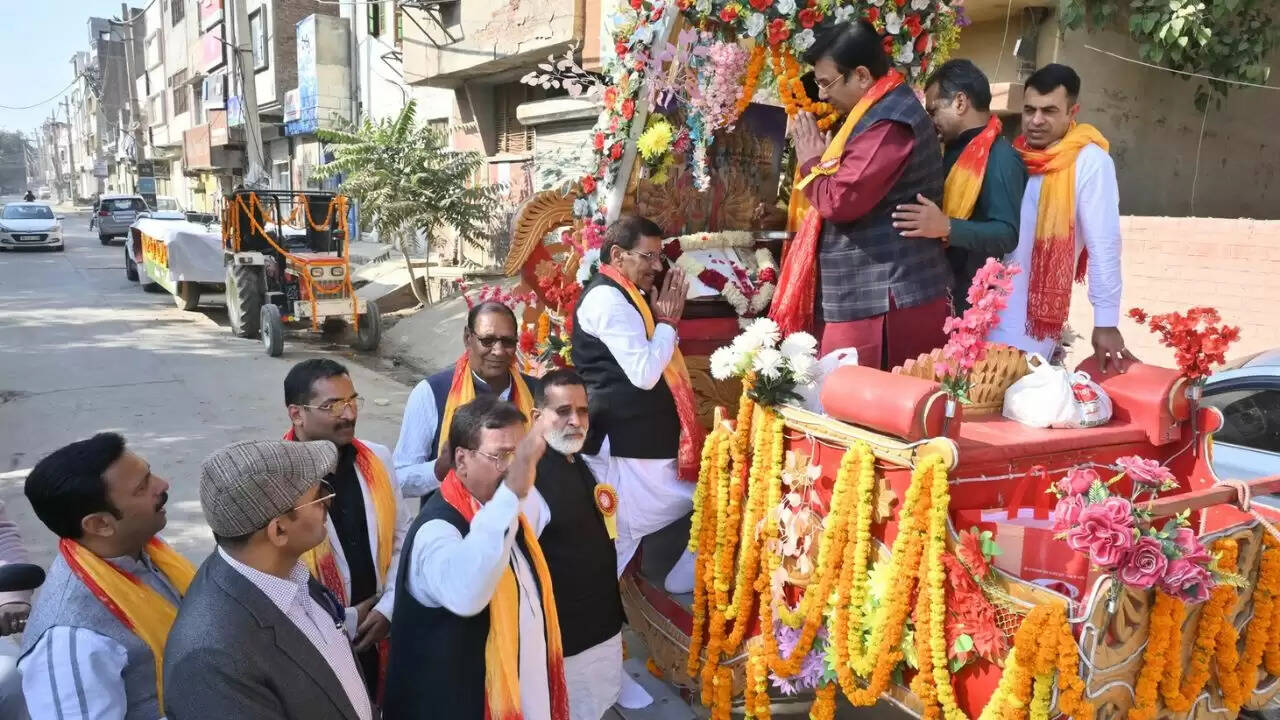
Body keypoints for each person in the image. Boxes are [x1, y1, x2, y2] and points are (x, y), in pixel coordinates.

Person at [780, 20, 951, 368]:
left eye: (827, 83)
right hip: (870, 294)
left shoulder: (890, 122)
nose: (823, 94)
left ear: (861, 75)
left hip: (886, 297)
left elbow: (839, 200)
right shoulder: (874, 112)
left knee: (863, 409)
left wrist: (812, 160)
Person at [383, 397, 565, 720]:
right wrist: (511, 494)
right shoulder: (436, 530)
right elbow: (467, 591)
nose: (513, 468)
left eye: (519, 455)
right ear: (462, 460)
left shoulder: (505, 512)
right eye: (500, 456)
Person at [163, 439, 374, 720]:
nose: (330, 499)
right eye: (318, 495)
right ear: (279, 531)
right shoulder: (212, 660)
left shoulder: (282, 570)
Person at [19, 433, 193, 720]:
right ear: (100, 524)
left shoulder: (144, 552)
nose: (163, 485)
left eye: (149, 473)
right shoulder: (71, 641)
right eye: (142, 487)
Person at [987, 63, 1135, 372]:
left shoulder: (1091, 162)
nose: (1036, 120)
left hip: (1031, 321)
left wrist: (1106, 322)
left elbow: (1104, 244)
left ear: (1072, 112)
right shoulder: (1014, 155)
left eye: (1049, 111)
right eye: (1029, 110)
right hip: (983, 307)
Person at [283, 358, 409, 697]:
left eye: (352, 400)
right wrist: (347, 619)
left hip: (383, 630)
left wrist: (388, 608)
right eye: (332, 406)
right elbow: (275, 575)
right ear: (297, 414)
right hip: (317, 644)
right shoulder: (279, 483)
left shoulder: (378, 460)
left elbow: (402, 539)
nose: (350, 414)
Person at [530, 369, 628, 718]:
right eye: (563, 411)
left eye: (583, 411)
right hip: (565, 641)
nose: (576, 420)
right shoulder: (528, 481)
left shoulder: (579, 461)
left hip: (601, 627)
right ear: (537, 416)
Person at [892, 59, 1027, 312]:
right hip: (941, 286)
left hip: (971, 300)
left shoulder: (1000, 157)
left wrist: (946, 226)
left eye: (933, 111)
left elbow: (1006, 234)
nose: (930, 121)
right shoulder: (951, 149)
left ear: (960, 102)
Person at [394, 300, 539, 501]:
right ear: (467, 338)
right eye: (487, 341)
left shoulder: (536, 393)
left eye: (507, 342)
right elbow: (398, 481)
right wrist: (439, 468)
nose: (498, 351)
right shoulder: (432, 393)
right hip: (455, 525)